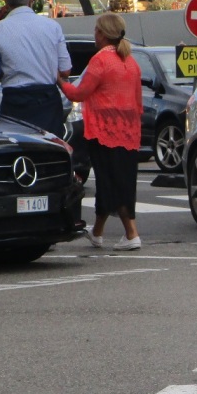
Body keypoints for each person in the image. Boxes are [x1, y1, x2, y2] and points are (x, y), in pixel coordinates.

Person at [58, 12, 143, 251]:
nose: (94, 35)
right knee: (121, 180)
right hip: (129, 131)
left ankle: (131, 233)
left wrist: (59, 81)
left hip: (104, 130)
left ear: (103, 34)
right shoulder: (131, 62)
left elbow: (78, 94)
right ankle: (97, 232)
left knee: (110, 182)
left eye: (96, 30)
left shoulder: (101, 60)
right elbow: (138, 101)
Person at [0, 0, 72, 137]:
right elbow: (65, 71)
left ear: (5, 1)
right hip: (47, 103)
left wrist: (8, 70)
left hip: (14, 104)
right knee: (50, 154)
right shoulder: (52, 27)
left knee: (19, 154)